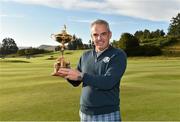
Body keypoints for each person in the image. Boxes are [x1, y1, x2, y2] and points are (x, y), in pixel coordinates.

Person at [52, 19, 127, 121]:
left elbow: (108, 82)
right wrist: (66, 73)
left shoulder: (117, 55)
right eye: (95, 35)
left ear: (110, 35)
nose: (99, 38)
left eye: (103, 34)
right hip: (85, 113)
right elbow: (76, 82)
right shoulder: (85, 55)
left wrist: (81, 75)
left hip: (107, 114)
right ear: (91, 37)